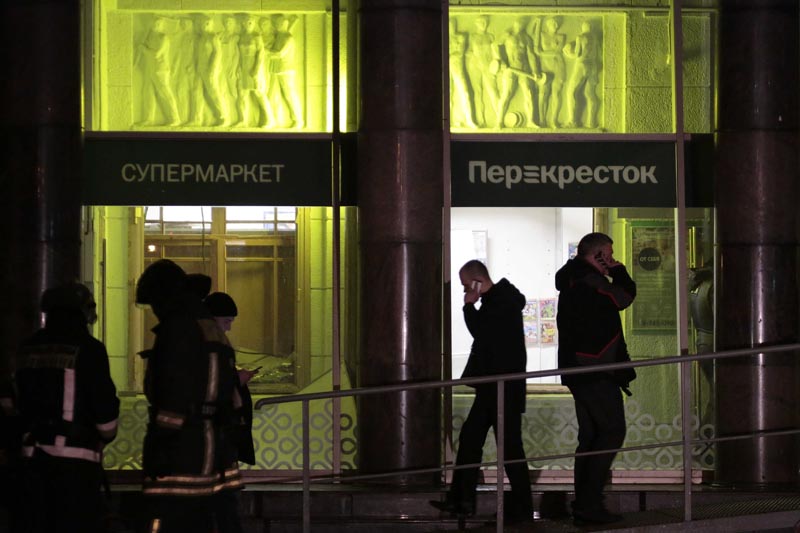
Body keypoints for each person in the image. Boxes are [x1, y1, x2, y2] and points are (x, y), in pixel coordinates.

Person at [135, 260, 244, 533]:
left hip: (181, 451)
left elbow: (173, 391)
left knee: (169, 521)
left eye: (152, 304)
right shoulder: (208, 326)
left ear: (162, 296)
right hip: (214, 448)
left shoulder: (178, 329)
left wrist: (161, 445)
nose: (154, 311)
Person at [430, 260, 533, 524]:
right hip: (495, 387)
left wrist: (468, 305)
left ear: (476, 280)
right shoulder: (499, 301)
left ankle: (519, 510)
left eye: (466, 284)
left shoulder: (501, 302)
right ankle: (461, 500)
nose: (465, 289)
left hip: (502, 388)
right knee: (472, 440)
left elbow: (481, 332)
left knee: (508, 449)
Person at [13, 282, 120, 533]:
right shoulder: (90, 349)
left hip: (31, 462)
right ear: (82, 311)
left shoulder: (27, 348)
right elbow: (105, 414)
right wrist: (106, 435)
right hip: (76, 466)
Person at [555, 232, 636, 526]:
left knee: (590, 437)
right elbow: (624, 296)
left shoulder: (574, 279)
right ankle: (589, 504)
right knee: (612, 431)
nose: (610, 259)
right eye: (608, 253)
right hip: (595, 368)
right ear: (598, 254)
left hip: (581, 369)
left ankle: (586, 503)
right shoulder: (589, 280)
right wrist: (618, 269)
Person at [204, 291, 257, 533]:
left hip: (220, 436)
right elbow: (214, 385)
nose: (228, 329)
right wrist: (237, 379)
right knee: (223, 501)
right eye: (226, 322)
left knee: (223, 501)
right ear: (214, 319)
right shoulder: (210, 345)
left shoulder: (211, 343)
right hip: (217, 436)